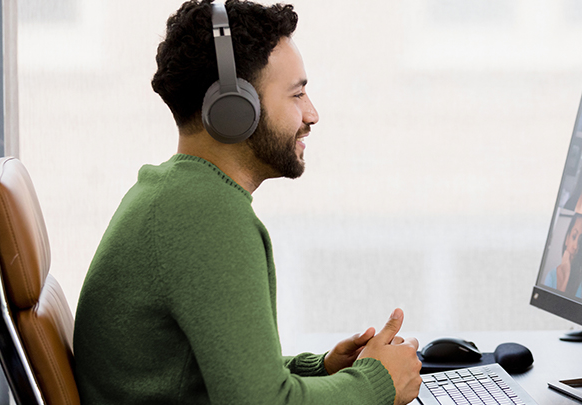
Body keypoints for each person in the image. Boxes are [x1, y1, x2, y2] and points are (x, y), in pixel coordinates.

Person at [72, 1, 422, 404]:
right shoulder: (206, 217)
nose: (312, 114)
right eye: (297, 93)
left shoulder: (171, 193)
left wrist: (322, 369)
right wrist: (377, 383)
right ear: (234, 109)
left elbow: (214, 379)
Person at [545, 214, 582, 296]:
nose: (575, 246)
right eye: (574, 236)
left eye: (580, 241)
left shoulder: (578, 285)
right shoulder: (551, 276)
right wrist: (565, 280)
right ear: (567, 239)